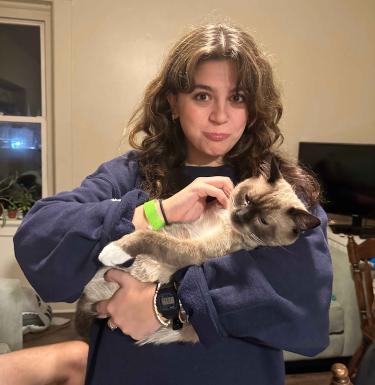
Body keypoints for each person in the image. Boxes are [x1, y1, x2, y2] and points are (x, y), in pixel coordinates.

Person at [13, 23, 332, 385]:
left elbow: (304, 311)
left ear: (253, 108)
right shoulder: (129, 174)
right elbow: (38, 240)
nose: (220, 116)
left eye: (237, 98)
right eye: (202, 96)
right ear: (172, 103)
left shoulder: (281, 192)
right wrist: (154, 212)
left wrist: (166, 304)